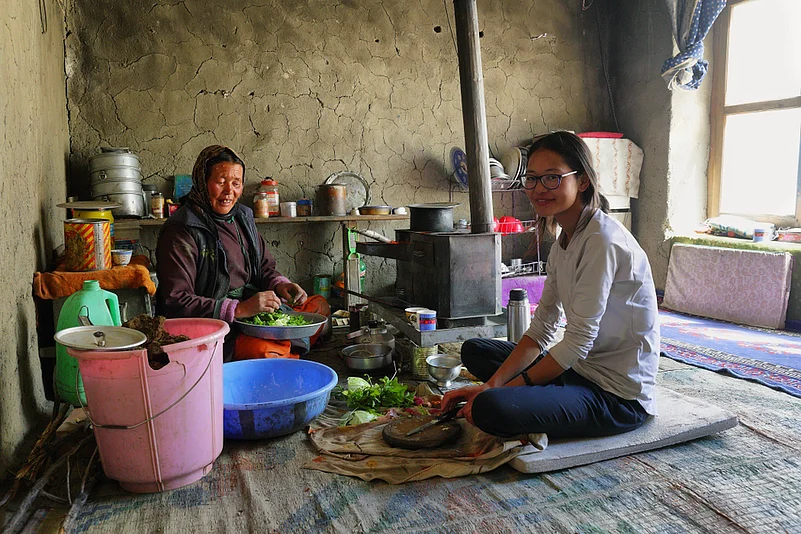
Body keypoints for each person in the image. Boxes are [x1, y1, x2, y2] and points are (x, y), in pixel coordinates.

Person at [442, 131, 659, 439]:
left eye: (552, 178)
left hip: (615, 395)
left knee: (490, 408)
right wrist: (492, 385)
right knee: (475, 350)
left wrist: (499, 393)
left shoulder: (603, 241)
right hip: (577, 370)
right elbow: (543, 328)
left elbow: (577, 342)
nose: (538, 189)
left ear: (582, 181)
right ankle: (526, 392)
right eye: (532, 178)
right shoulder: (564, 243)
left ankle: (521, 397)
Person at [156, 145, 328, 360]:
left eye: (236, 183)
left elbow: (265, 267)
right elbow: (176, 301)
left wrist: (280, 285)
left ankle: (285, 348)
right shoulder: (182, 230)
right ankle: (283, 351)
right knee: (263, 352)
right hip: (217, 327)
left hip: (253, 314)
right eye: (220, 182)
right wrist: (238, 310)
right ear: (202, 182)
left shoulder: (242, 218)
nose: (229, 192)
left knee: (319, 306)